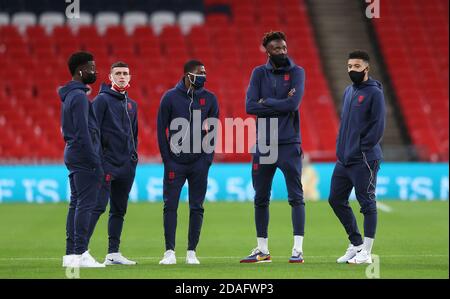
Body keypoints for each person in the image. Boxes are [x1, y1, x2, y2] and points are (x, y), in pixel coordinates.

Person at [240, 31, 306, 263]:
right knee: (260, 198)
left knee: (296, 197)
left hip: (289, 144)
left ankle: (297, 250)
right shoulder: (258, 73)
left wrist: (265, 102)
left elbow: (293, 103)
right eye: (277, 49)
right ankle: (262, 250)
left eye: (284, 47)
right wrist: (281, 105)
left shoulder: (297, 72)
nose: (282, 51)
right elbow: (249, 106)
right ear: (267, 51)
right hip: (264, 145)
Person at [157, 60, 219, 265]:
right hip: (175, 163)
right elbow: (161, 130)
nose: (203, 76)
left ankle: (192, 252)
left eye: (205, 72)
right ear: (187, 75)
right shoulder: (170, 98)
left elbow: (214, 131)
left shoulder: (210, 99)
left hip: (199, 163)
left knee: (197, 206)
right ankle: (169, 252)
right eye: (199, 73)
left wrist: (207, 159)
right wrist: (168, 159)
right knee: (170, 206)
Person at [328, 50, 386, 264]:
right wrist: (342, 148)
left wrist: (361, 149)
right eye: (350, 66)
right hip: (344, 159)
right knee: (335, 199)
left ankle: (367, 254)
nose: (352, 70)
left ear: (366, 68)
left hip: (364, 159)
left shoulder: (374, 93)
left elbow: (378, 127)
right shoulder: (348, 91)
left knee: (367, 203)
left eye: (357, 66)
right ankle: (356, 244)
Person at [86, 61, 138, 265]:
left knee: (119, 209)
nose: (122, 76)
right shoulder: (101, 101)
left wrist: (133, 157)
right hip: (107, 164)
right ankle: (81, 250)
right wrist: (99, 160)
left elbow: (134, 135)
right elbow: (93, 132)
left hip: (127, 165)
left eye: (125, 73)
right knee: (97, 206)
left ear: (130, 77)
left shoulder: (132, 104)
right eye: (118, 73)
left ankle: (113, 253)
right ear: (110, 77)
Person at [59, 51, 105, 268]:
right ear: (80, 70)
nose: (94, 72)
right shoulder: (78, 97)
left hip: (73, 153)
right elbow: (83, 131)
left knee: (76, 203)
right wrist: (94, 158)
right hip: (84, 156)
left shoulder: (70, 95)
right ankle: (81, 253)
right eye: (91, 68)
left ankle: (71, 254)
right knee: (86, 204)